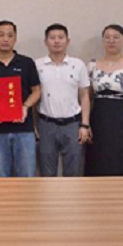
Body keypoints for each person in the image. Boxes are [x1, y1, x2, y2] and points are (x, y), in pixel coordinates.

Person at [0, 20, 41, 178]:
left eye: (9, 35)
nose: (5, 39)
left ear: (15, 38)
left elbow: (36, 91)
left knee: (27, 176)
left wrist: (25, 107)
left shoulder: (27, 63)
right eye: (1, 35)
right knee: (1, 177)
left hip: (24, 129)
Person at [85, 24, 123, 176]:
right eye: (107, 38)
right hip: (99, 117)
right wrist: (85, 123)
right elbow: (87, 97)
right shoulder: (92, 65)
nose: (111, 41)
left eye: (116, 37)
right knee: (99, 159)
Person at [36, 23, 91, 177]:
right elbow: (33, 96)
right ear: (46, 42)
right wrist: (34, 125)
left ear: (68, 41)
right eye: (52, 38)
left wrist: (85, 125)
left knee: (73, 171)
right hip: (46, 124)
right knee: (47, 172)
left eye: (61, 37)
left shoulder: (78, 65)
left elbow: (84, 96)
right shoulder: (37, 65)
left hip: (72, 125)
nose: (56, 41)